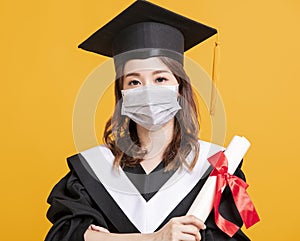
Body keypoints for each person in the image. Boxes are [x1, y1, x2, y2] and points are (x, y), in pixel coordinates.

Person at [45, 1, 252, 241]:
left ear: (179, 87)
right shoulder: (94, 168)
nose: (148, 91)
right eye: (134, 82)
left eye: (161, 79)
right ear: (121, 93)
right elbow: (66, 236)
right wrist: (156, 237)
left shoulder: (213, 165)